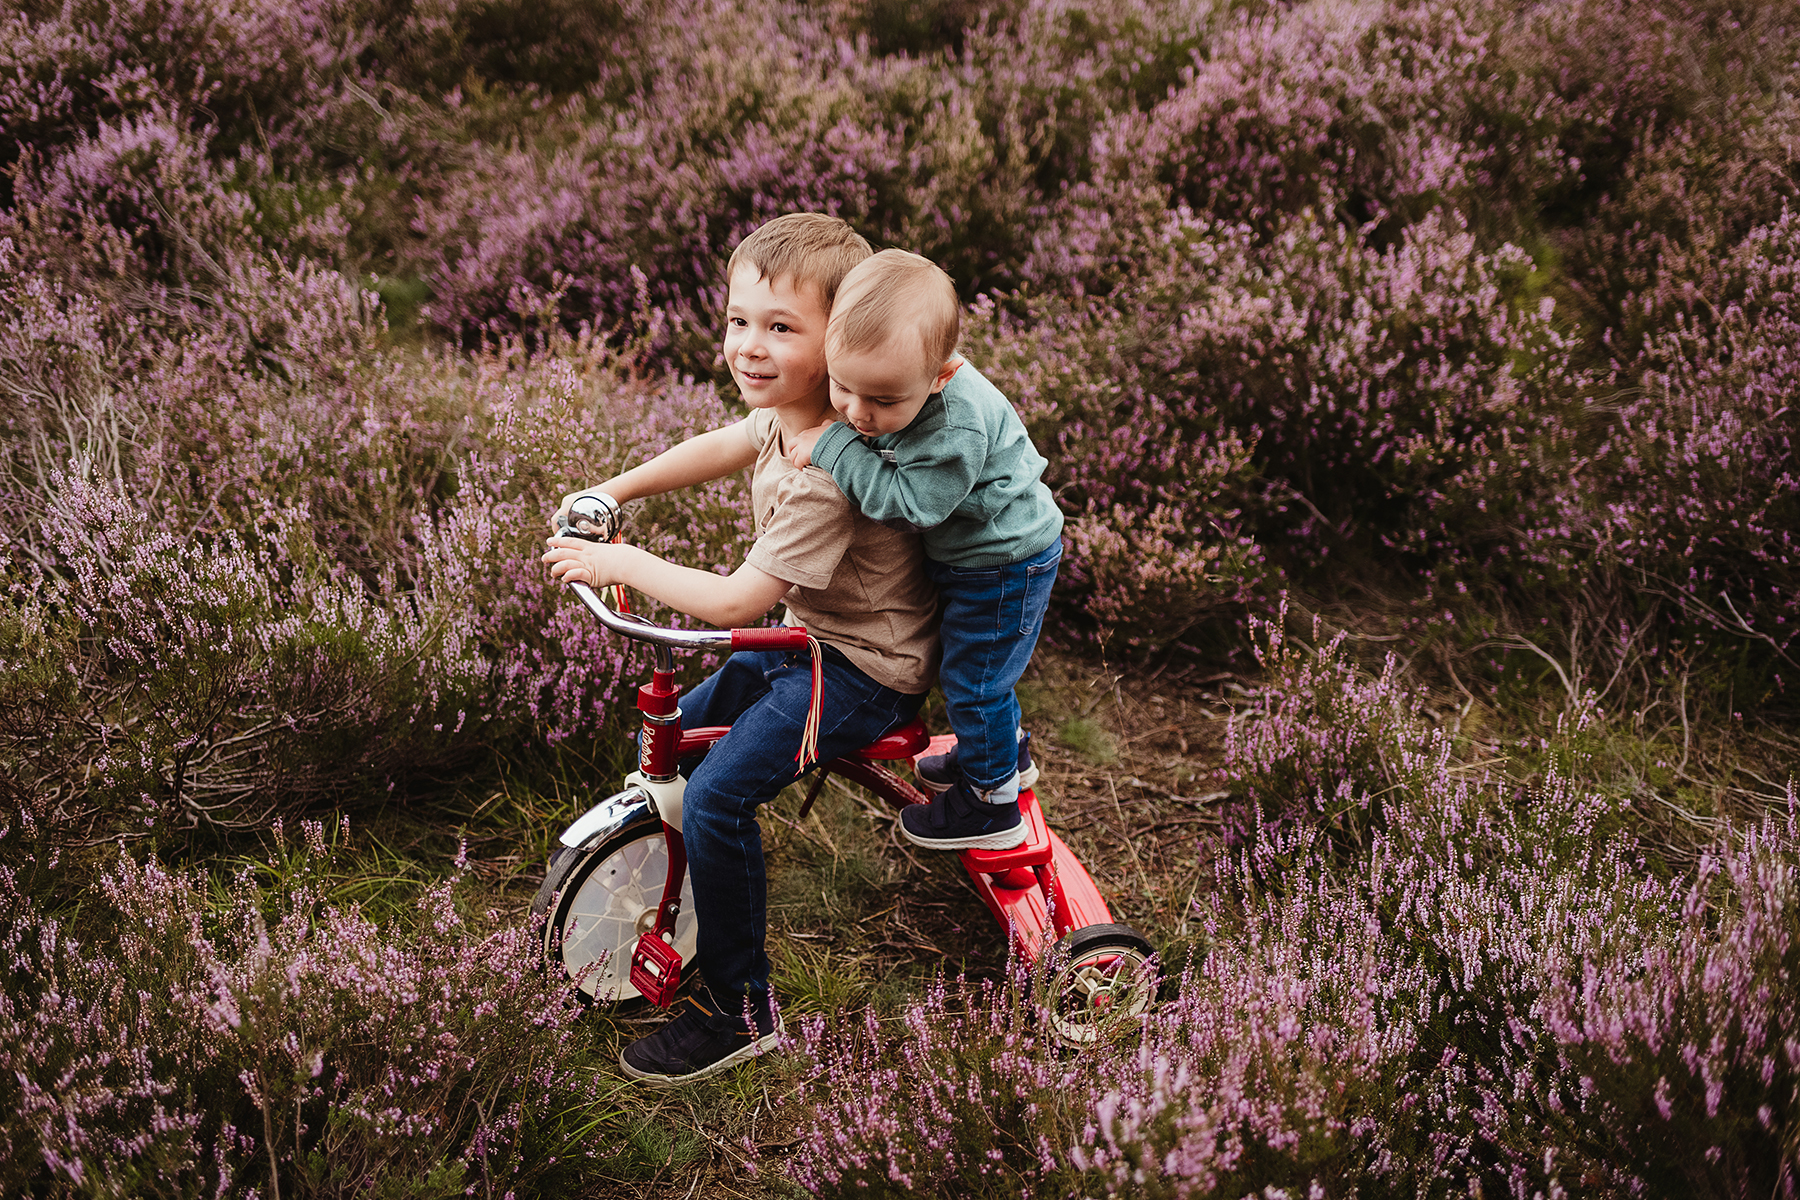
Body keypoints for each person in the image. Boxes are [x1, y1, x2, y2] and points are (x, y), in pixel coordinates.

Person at [542, 215, 938, 1085]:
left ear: (839, 339)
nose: (750, 348)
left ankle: (741, 1011)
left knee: (718, 796)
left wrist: (624, 561)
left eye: (781, 328)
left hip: (864, 672)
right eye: (737, 321)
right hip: (809, 638)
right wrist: (612, 489)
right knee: (682, 731)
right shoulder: (787, 416)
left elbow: (734, 601)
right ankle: (676, 898)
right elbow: (722, 443)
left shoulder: (831, 473)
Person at [787, 249, 1063, 853]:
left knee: (976, 680)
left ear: (941, 375)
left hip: (1004, 564)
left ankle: (992, 805)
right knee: (974, 669)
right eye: (844, 388)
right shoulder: (902, 385)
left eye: (883, 402)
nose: (859, 412)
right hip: (979, 555)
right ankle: (999, 754)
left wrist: (838, 448)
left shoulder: (954, 426)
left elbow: (913, 503)